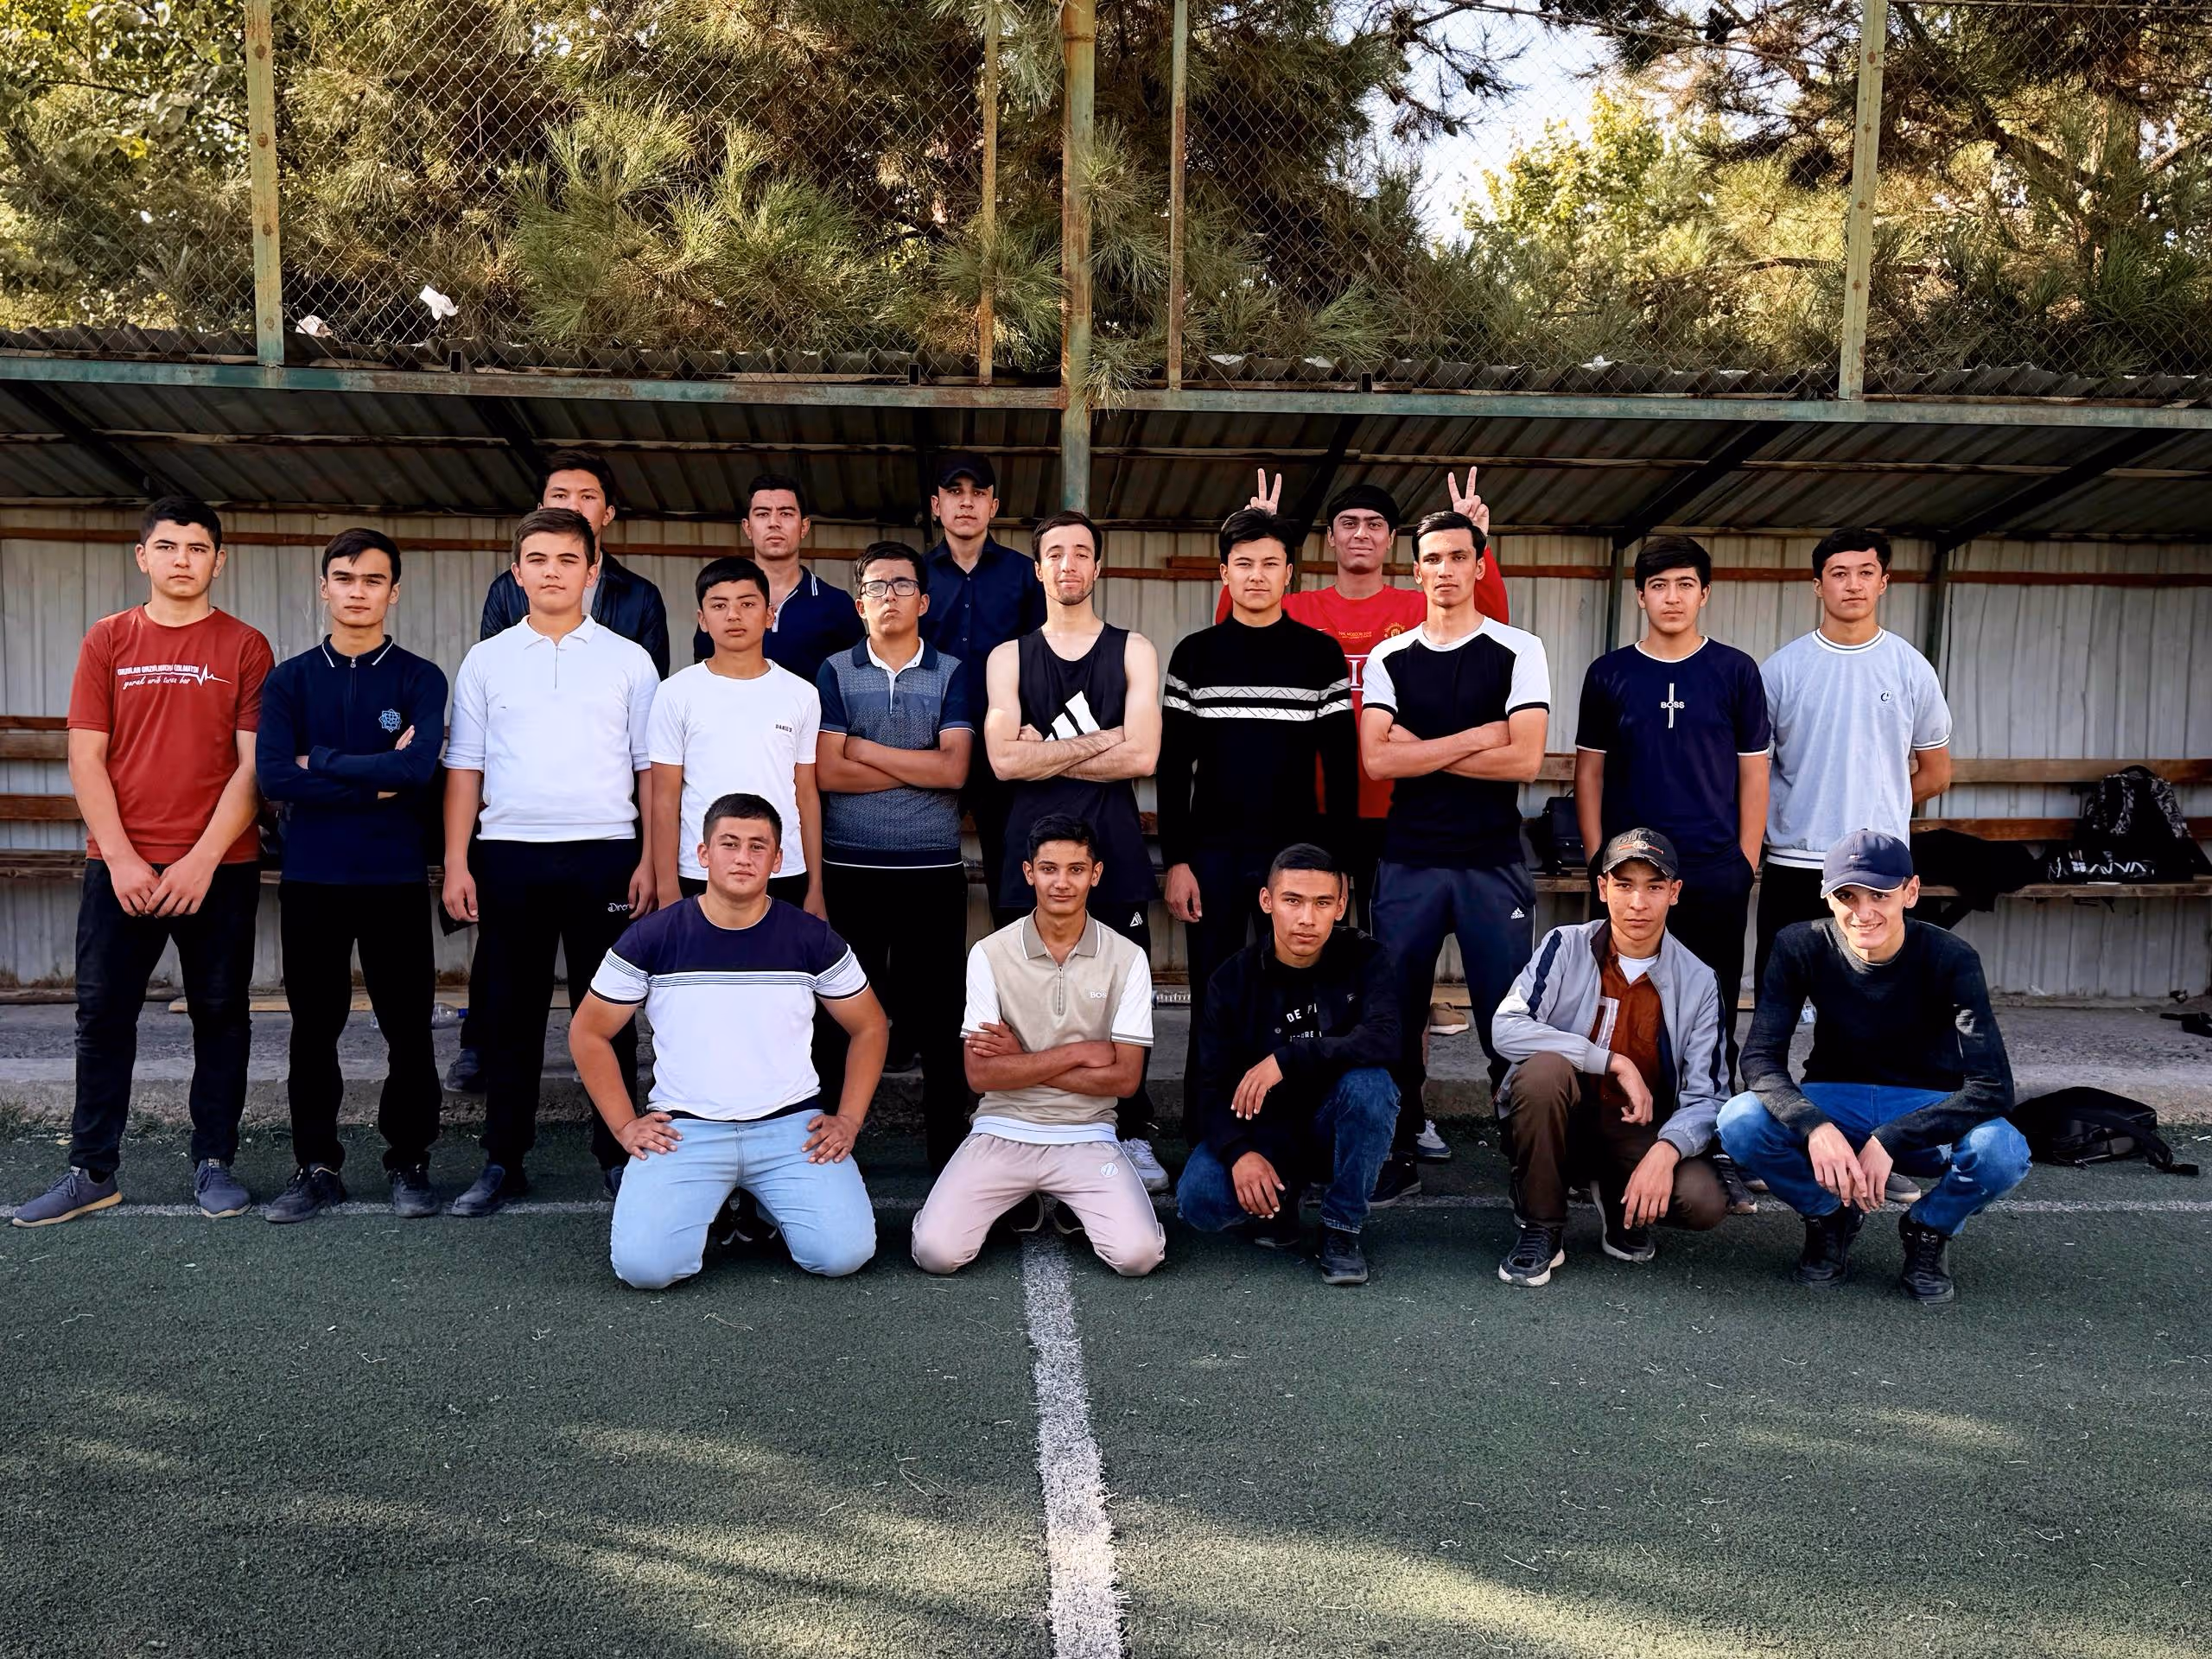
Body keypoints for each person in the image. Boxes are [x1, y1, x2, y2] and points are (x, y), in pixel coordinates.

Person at [1221, 469, 1506, 1162]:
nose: (1360, 534)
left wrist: (1481, 545)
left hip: (1398, 811)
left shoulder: (1420, 603)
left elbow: (1490, 625)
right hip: (1309, 812)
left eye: (1374, 524)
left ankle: (1406, 1107)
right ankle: (1292, 1094)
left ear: (1392, 543)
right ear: (1328, 538)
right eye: (1347, 523)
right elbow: (1236, 625)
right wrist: (1258, 529)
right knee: (1304, 960)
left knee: (1391, 974)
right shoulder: (1304, 602)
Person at [16, 498, 273, 1226]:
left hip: (218, 867)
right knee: (102, 1018)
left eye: (198, 548)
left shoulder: (246, 646)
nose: (182, 559)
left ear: (219, 561)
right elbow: (86, 757)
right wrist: (125, 860)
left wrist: (200, 861)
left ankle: (214, 1162)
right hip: (119, 867)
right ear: (143, 557)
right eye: (168, 546)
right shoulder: (108, 640)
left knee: (221, 1015)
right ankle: (93, 1170)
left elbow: (252, 769)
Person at [570, 792, 885, 1287]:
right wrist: (626, 1126)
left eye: (758, 847)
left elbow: (869, 1025)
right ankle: (715, 1201)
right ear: (703, 854)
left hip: (790, 1128)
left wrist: (848, 1118)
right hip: (686, 1131)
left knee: (842, 1253)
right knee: (645, 1269)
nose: (743, 857)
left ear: (778, 860)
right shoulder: (652, 938)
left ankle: (766, 1200)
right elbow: (588, 1032)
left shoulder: (811, 938)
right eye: (730, 843)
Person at [442, 507, 660, 1217]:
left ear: (593, 570)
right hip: (508, 856)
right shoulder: (487, 659)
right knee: (510, 1015)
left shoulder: (629, 660)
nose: (553, 573)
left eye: (568, 560)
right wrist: (456, 860)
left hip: (605, 855)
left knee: (612, 1013)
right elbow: (466, 767)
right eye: (537, 560)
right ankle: (504, 1159)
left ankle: (618, 1154)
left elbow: (650, 771)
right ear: (518, 573)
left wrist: (652, 858)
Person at [1719, 831, 2026, 1305]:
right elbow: (1760, 1059)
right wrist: (1814, 1126)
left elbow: (1993, 1087)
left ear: (1911, 892)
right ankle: (1829, 1217)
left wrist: (1892, 1138)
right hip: (1834, 1099)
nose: (1862, 913)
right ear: (1828, 896)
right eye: (1846, 896)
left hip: (1925, 1107)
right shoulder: (1799, 944)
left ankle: (1929, 1227)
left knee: (2003, 1149)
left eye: (1880, 895)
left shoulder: (1951, 956)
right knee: (1738, 1121)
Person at [255, 529, 448, 1222]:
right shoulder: (290, 679)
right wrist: (373, 775)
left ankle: (410, 1161)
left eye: (372, 580)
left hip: (393, 880)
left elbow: (417, 770)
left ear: (392, 591)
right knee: (315, 1027)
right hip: (312, 880)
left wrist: (322, 764)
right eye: (344, 578)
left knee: (408, 1029)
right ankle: (316, 1167)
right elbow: (275, 775)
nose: (357, 591)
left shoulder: (420, 678)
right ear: (324, 588)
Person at [1573, 534, 1770, 1211]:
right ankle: (1606, 1139)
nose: (1672, 597)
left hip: (1714, 870)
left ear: (1705, 593)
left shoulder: (1736, 671)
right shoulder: (1610, 674)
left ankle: (1713, 1143)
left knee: (1710, 1013)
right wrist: (1603, 858)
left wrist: (1744, 859)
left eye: (1685, 584)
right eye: (1659, 585)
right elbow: (1589, 771)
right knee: (1619, 1007)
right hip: (1632, 873)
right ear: (1640, 596)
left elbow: (1754, 771)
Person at [1360, 509, 1549, 1204]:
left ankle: (1526, 1151)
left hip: (1491, 861)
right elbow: (1379, 760)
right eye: (1431, 558)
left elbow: (1525, 757)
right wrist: (1478, 736)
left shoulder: (1517, 648)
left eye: (1457, 557)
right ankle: (1400, 1139)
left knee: (1507, 1016)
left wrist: (1424, 752)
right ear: (1417, 570)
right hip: (1409, 860)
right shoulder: (1390, 657)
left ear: (1479, 565)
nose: (1444, 570)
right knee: (1397, 1013)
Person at [982, 511, 1168, 1193]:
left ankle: (1131, 1129)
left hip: (1111, 850)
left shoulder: (1132, 650)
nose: (1068, 564)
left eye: (1081, 553)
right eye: (1054, 553)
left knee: (1121, 1002)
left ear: (1098, 568)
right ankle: (1023, 1125)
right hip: (1025, 855)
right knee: (1020, 1001)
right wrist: (1101, 743)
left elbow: (1144, 753)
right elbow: (1002, 762)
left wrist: (1044, 754)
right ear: (1038, 569)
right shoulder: (1009, 657)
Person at [1160, 506, 1357, 1135]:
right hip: (1213, 856)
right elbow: (1171, 769)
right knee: (1215, 995)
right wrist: (1178, 861)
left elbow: (1341, 770)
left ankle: (1293, 1123)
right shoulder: (1195, 656)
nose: (1256, 576)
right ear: (1224, 573)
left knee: (1298, 996)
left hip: (1295, 859)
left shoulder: (1318, 656)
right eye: (1243, 564)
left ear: (1290, 575)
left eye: (1270, 564)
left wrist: (1337, 867)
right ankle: (1206, 1125)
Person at [910, 816, 1164, 1278]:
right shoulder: (989, 953)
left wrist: (1020, 1060)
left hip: (1088, 1133)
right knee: (936, 1254)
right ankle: (1021, 1198)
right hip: (1002, 1128)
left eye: (1075, 869)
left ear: (1096, 873)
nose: (1061, 883)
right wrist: (1079, 1052)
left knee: (1138, 1257)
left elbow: (1125, 1081)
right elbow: (981, 1075)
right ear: (1029, 873)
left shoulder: (1128, 958)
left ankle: (1070, 1203)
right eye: (1048, 869)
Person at [1489, 829, 1732, 1287]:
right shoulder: (1564, 945)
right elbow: (1507, 1027)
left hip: (1634, 1128)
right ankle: (1542, 1226)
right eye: (1624, 885)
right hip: (1560, 1115)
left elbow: (1709, 1095)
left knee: (1702, 1200)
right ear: (1602, 888)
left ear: (1675, 894)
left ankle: (1620, 1200)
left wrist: (1668, 1149)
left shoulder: (1699, 980)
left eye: (1654, 886)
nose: (1638, 902)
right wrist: (1612, 1061)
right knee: (1543, 1071)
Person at [813, 542, 976, 1172]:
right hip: (850, 872)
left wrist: (867, 750)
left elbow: (956, 770)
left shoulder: (954, 672)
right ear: (859, 605)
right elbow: (827, 771)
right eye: (877, 587)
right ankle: (828, 1156)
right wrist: (920, 768)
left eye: (902, 586)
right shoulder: (834, 670)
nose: (890, 596)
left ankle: (947, 1162)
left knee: (939, 1025)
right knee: (840, 1021)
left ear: (924, 601)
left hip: (932, 872)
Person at [1173, 844, 1399, 1287]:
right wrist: (1239, 1154)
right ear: (1267, 902)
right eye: (1292, 900)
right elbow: (1208, 1085)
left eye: (1321, 903)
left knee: (1373, 1087)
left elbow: (1387, 1040)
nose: (1306, 919)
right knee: (1198, 1201)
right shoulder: (1232, 980)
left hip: (1330, 1124)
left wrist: (1288, 1058)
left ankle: (1341, 1228)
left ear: (1341, 906)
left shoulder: (1366, 959)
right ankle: (1281, 1198)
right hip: (1263, 1130)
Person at [1755, 527, 1953, 999]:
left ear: (1883, 582)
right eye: (1839, 574)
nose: (1853, 584)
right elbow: (1755, 771)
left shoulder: (1910, 667)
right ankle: (1765, 1075)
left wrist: (1882, 805)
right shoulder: (1782, 669)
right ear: (1819, 586)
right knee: (1779, 991)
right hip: (1796, 857)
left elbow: (1937, 771)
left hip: (1879, 865)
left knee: (1875, 994)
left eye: (1866, 573)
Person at [650, 556, 823, 915]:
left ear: (769, 614)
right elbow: (664, 798)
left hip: (784, 869)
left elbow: (806, 794)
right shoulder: (675, 693)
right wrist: (667, 888)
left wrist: (816, 886)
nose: (733, 615)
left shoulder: (801, 693)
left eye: (747, 604)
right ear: (702, 619)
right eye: (719, 605)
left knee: (777, 971)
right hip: (700, 869)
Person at [919, 453, 1045, 931]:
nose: (966, 503)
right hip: (933, 745)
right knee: (931, 876)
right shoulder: (917, 576)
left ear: (994, 505)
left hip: (1005, 750)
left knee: (1011, 882)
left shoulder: (1023, 574)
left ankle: (1012, 997)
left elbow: (1041, 656)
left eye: (977, 493)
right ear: (937, 505)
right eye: (954, 492)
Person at [478, 449, 671, 675]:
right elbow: (492, 670)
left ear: (608, 514)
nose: (574, 507)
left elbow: (651, 685)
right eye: (560, 496)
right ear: (541, 510)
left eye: (587, 497)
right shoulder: (505, 590)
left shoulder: (641, 596)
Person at [689, 474, 863, 679]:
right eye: (762, 514)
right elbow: (703, 679)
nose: (774, 523)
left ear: (804, 527)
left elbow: (854, 684)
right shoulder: (722, 605)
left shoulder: (836, 605)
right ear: (747, 527)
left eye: (786, 514)